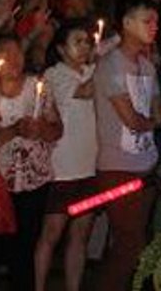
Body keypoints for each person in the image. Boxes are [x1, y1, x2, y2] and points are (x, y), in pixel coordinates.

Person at [93, 0, 161, 291]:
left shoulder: (147, 67)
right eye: (146, 20)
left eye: (156, 21)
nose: (154, 26)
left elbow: (157, 118)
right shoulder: (111, 65)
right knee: (130, 244)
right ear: (126, 23)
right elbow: (133, 120)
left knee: (133, 242)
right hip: (118, 168)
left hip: (144, 166)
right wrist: (153, 119)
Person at [0, 35, 60, 291]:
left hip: (33, 182)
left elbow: (57, 130)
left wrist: (41, 128)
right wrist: (12, 130)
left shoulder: (38, 87)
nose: (14, 60)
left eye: (18, 52)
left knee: (24, 251)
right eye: (5, 54)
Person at [35, 20, 98, 291]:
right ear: (61, 49)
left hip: (87, 166)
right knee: (51, 234)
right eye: (78, 42)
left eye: (87, 42)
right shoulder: (55, 74)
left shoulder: (87, 71)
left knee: (81, 235)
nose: (85, 47)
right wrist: (100, 65)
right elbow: (85, 92)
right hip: (62, 168)